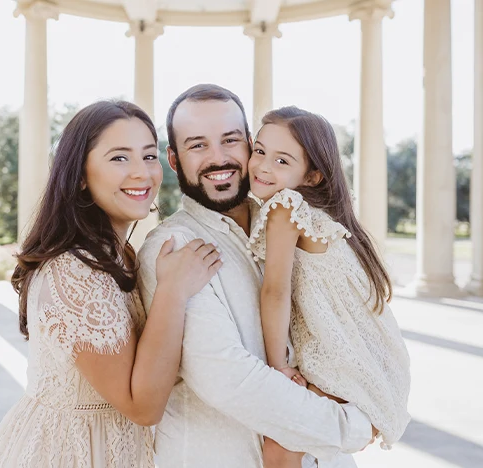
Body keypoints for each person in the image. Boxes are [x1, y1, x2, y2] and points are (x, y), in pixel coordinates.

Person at [137, 84, 377, 468]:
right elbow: (228, 379)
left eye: (230, 140)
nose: (219, 158)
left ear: (251, 144)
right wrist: (355, 425)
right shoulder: (174, 248)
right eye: (197, 145)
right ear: (174, 158)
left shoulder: (292, 223)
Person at [0, 100, 222, 468]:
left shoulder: (116, 254)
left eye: (148, 156)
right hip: (69, 454)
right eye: (119, 158)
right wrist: (173, 291)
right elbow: (142, 407)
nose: (142, 173)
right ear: (80, 174)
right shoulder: (76, 271)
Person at [248, 106, 411, 467]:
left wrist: (278, 368)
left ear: (313, 176)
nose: (262, 166)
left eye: (282, 161)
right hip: (368, 358)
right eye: (259, 151)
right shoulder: (321, 214)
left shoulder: (285, 207)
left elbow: (275, 291)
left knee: (280, 446)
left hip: (337, 355)